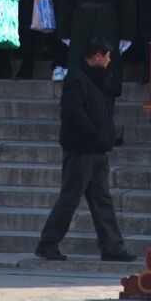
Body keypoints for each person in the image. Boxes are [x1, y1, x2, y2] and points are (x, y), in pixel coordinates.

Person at [35, 36, 136, 262]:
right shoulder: (77, 78)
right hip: (82, 149)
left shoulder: (95, 79)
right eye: (108, 56)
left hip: (98, 149)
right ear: (98, 56)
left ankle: (112, 246)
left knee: (102, 199)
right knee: (70, 197)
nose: (109, 61)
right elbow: (73, 112)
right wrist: (94, 133)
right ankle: (48, 243)